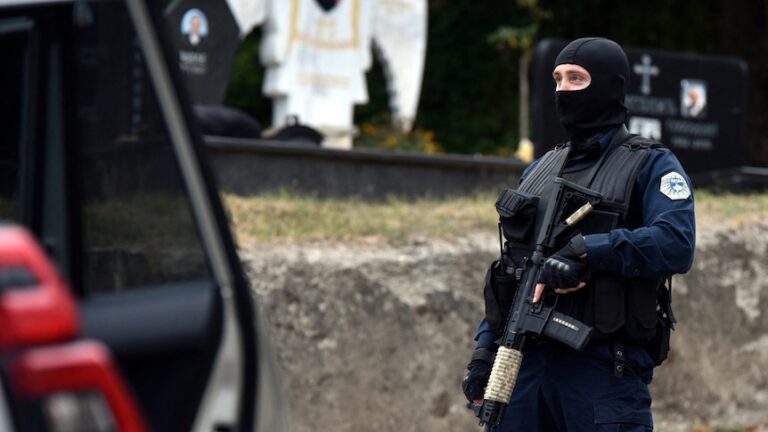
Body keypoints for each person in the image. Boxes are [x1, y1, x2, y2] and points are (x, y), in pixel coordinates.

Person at [462, 37, 696, 431]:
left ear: (608, 85)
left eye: (576, 78)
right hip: (524, 368)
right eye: (557, 79)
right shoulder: (539, 170)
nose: (563, 90)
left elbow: (675, 243)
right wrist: (484, 351)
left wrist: (587, 252)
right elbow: (511, 274)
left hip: (602, 373)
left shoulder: (651, 164)